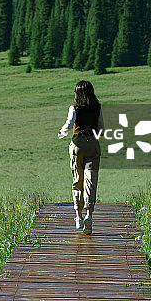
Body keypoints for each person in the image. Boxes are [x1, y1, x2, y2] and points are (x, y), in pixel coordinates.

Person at [58, 80, 103, 235]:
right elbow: (101, 128)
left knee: (78, 180)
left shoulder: (74, 108)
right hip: (93, 145)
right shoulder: (97, 107)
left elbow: (69, 123)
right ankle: (89, 215)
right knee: (91, 181)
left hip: (77, 144)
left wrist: (62, 132)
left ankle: (78, 216)